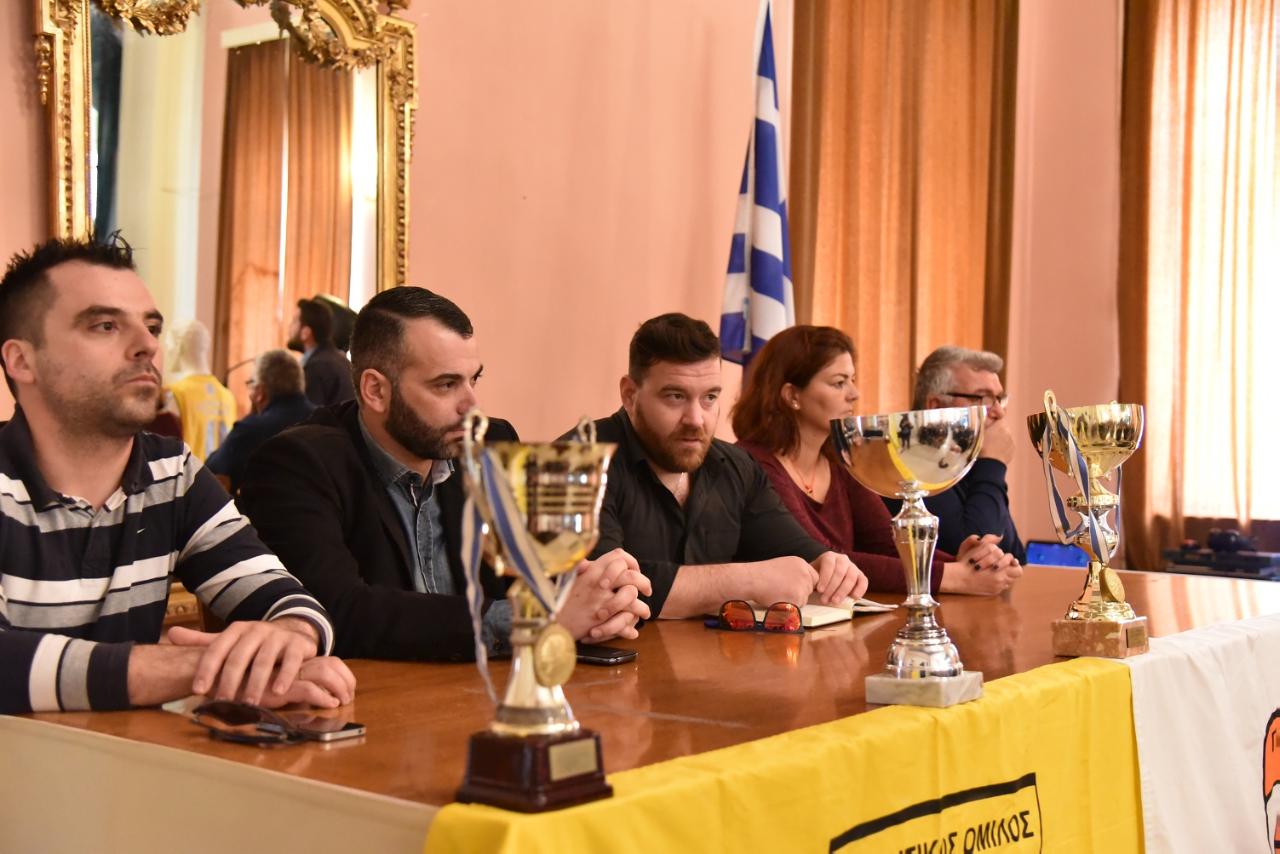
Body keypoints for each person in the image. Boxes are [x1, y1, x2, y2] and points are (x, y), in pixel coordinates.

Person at [0, 235, 354, 715]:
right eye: (105, 326)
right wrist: (206, 668)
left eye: (152, 327)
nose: (148, 345)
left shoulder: (172, 472)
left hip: (127, 758)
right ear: (22, 360)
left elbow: (283, 596)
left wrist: (291, 636)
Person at [239, 287, 650, 661]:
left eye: (474, 379)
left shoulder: (490, 445)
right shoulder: (297, 464)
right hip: (368, 703)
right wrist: (530, 621)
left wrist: (602, 594)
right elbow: (337, 610)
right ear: (376, 390)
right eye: (446, 385)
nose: (472, 407)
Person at [578, 313, 869, 621]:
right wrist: (747, 581)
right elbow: (600, 588)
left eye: (709, 398)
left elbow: (797, 550)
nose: (696, 419)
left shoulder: (737, 466)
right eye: (675, 396)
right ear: (630, 395)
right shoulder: (578, 464)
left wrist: (828, 563)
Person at [731, 326, 1023, 596]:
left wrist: (964, 562)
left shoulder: (841, 462)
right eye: (839, 383)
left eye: (852, 380)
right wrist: (954, 577)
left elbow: (887, 544)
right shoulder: (754, 464)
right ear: (792, 395)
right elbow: (822, 560)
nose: (854, 394)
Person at [888, 345, 1027, 564]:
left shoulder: (964, 461)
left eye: (999, 399)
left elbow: (1015, 553)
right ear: (936, 406)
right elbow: (975, 552)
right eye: (983, 398)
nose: (999, 412)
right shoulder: (909, 464)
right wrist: (993, 463)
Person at [206, 349, 315, 492]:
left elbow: (209, 474)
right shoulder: (325, 419)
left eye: (251, 383)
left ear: (260, 392)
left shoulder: (250, 431)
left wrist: (251, 418)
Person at [165, 320, 236, 461]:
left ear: (178, 348)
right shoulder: (227, 395)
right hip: (218, 474)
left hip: (190, 473)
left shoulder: (176, 394)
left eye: (168, 346)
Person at [288, 297, 355, 406]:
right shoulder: (339, 360)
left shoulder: (317, 367)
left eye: (295, 321)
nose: (290, 326)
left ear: (306, 332)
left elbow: (310, 414)